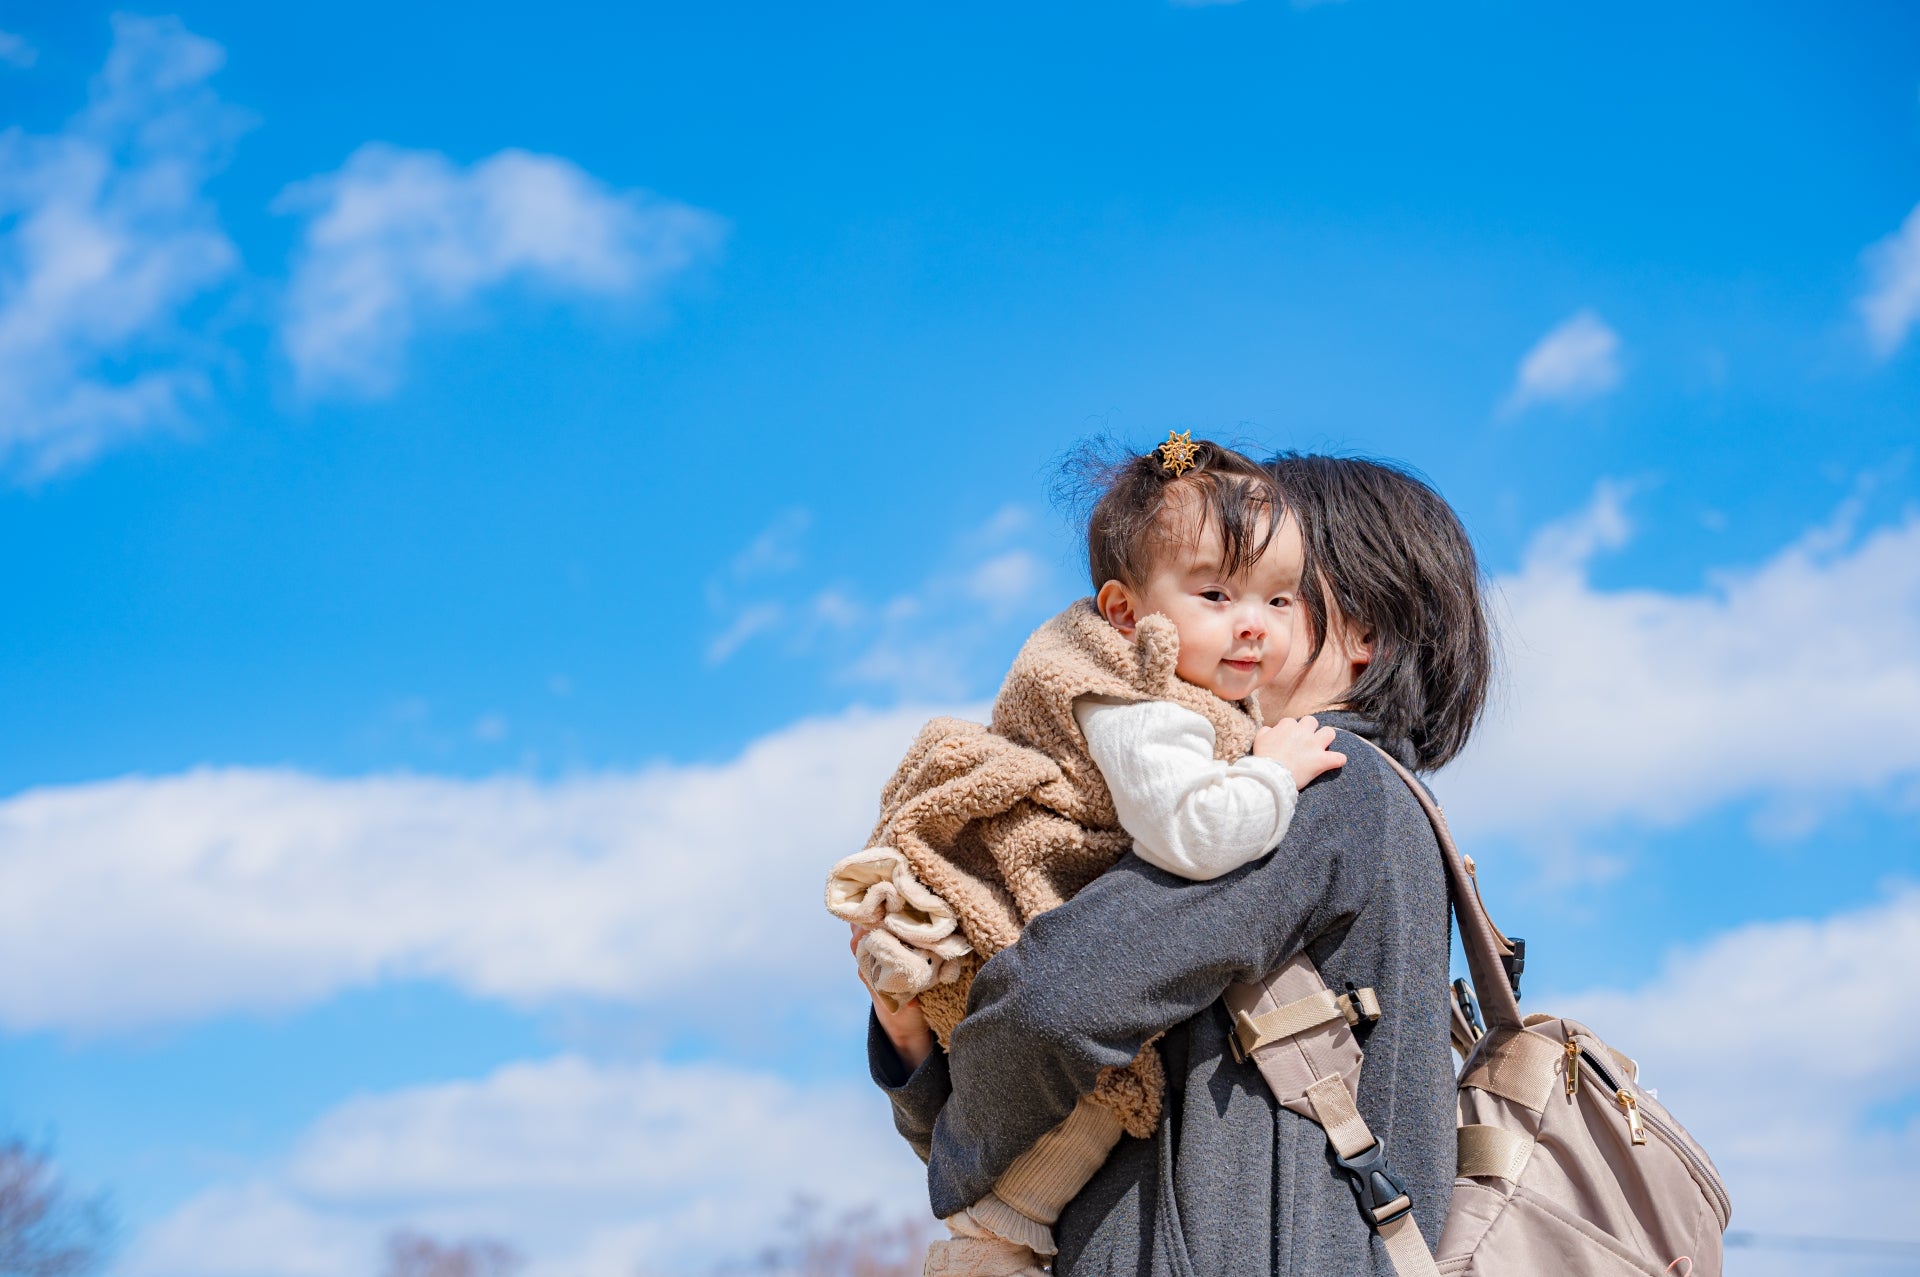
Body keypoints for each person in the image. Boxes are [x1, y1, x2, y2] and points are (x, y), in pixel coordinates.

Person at [861, 452, 1494, 1277]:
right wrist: (914, 1043)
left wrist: (957, 1133)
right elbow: (1039, 1097)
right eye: (1218, 588)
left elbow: (1053, 1002)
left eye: (1278, 592)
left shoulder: (1316, 784)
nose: (1244, 623)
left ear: (1364, 631)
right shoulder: (1365, 801)